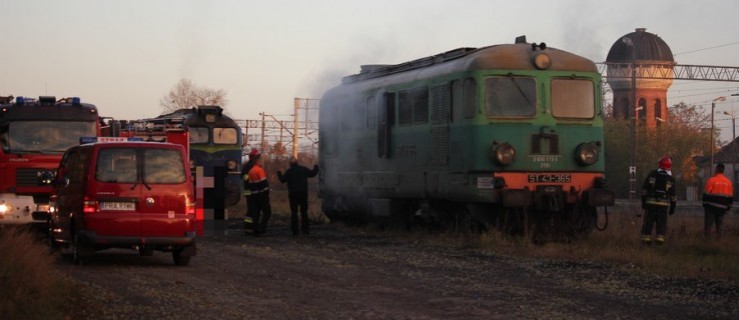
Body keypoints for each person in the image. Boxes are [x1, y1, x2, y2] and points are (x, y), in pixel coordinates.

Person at [277, 157, 320, 235]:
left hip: (293, 194)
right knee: (304, 212)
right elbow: (313, 173)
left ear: (290, 164)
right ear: (297, 162)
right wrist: (316, 167)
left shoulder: (289, 171)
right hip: (303, 193)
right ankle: (305, 230)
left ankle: (295, 231)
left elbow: (282, 180)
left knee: (294, 212)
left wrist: (279, 173)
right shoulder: (303, 169)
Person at [640, 156, 677, 245]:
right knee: (661, 223)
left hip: (650, 204)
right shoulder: (670, 179)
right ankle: (659, 242)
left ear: (659, 164)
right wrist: (673, 207)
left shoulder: (652, 174)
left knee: (648, 223)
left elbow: (644, 189)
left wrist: (643, 202)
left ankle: (646, 241)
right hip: (663, 206)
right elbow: (673, 196)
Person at [702, 163, 734, 240]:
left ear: (716, 169)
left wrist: (705, 206)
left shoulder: (711, 180)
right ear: (723, 171)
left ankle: (708, 242)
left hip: (711, 208)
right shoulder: (728, 182)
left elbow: (705, 195)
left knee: (708, 227)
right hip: (722, 209)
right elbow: (730, 198)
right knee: (719, 227)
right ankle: (719, 242)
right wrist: (727, 208)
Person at [246, 150, 271, 236]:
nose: (262, 161)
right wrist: (267, 190)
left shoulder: (251, 171)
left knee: (255, 213)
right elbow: (263, 183)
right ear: (258, 160)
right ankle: (262, 228)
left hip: (253, 195)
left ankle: (255, 230)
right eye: (261, 160)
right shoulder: (259, 170)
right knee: (267, 212)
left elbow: (250, 183)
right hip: (261, 195)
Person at [241, 149, 260, 231]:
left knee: (252, 209)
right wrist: (251, 178)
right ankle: (248, 226)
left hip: (251, 190)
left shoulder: (251, 165)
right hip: (250, 190)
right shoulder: (249, 166)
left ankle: (250, 226)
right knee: (252, 209)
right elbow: (243, 176)